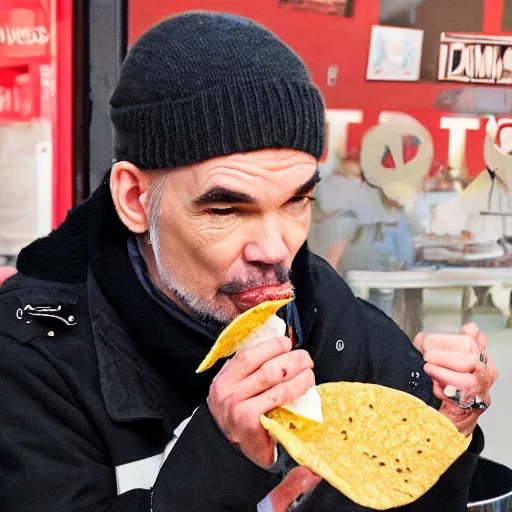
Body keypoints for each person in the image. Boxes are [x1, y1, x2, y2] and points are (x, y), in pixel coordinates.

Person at [0, 12, 498, 512]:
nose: (276, 249)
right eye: (226, 209)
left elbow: (411, 495)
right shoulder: (31, 361)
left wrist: (448, 426)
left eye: (296, 202)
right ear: (134, 199)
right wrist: (220, 463)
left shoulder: (321, 306)